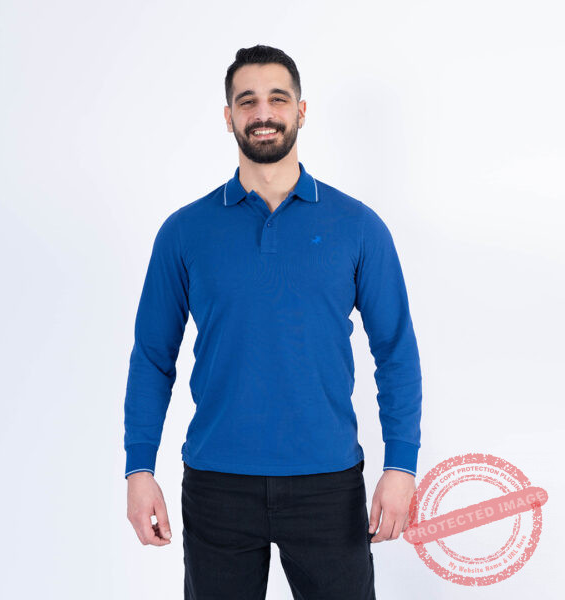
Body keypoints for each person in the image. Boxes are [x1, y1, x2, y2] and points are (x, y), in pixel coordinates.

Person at [124, 44, 422, 600]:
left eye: (278, 99)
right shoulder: (184, 231)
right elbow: (151, 357)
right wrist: (139, 469)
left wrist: (401, 466)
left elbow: (396, 351)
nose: (263, 113)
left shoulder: (358, 226)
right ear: (229, 116)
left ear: (301, 111)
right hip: (216, 485)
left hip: (328, 484)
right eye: (247, 101)